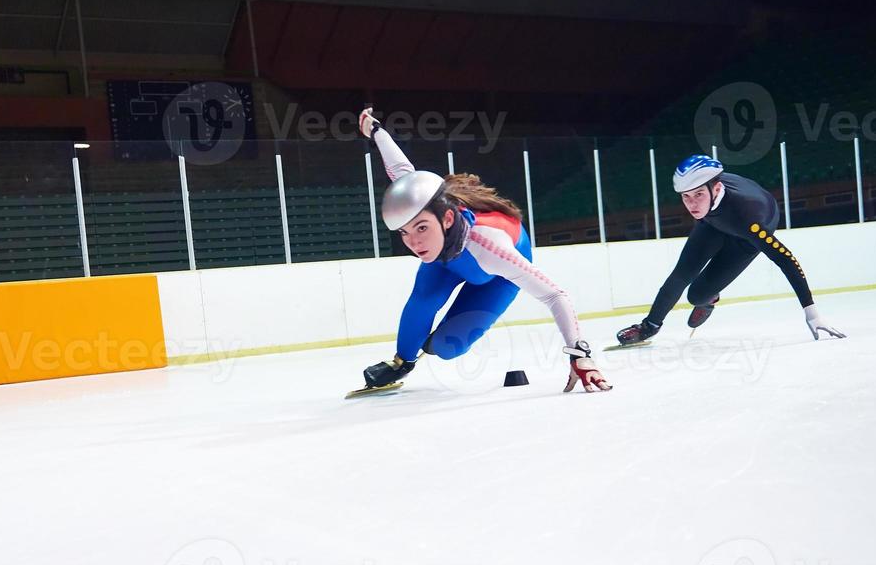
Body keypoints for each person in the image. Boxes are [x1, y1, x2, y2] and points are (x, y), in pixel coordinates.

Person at [357, 108, 611, 394]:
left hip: (495, 273)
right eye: (405, 232)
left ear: (448, 219)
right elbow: (401, 171)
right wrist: (377, 130)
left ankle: (431, 343)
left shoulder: (491, 247)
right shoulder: (429, 210)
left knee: (447, 347)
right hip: (448, 257)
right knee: (422, 302)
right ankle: (403, 361)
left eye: (422, 229)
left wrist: (581, 355)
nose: (414, 243)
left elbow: (555, 295)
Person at [616, 155, 846, 346]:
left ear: (717, 188)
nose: (692, 204)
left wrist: (812, 314)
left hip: (744, 233)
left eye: (698, 195)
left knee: (696, 295)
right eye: (686, 197)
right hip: (714, 221)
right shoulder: (707, 200)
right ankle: (650, 326)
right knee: (682, 274)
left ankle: (708, 298)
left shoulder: (750, 218)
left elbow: (786, 259)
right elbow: (681, 272)